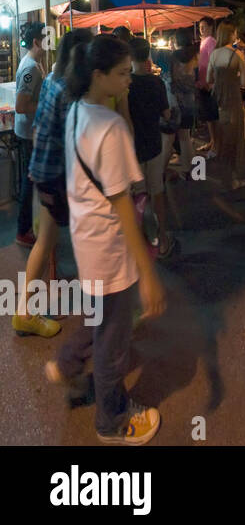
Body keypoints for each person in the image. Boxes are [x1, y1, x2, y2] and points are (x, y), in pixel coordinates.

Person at [46, 35, 165, 445]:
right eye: (121, 74)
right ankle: (112, 421)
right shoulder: (110, 128)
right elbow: (123, 207)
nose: (129, 80)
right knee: (113, 344)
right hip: (110, 248)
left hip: (85, 239)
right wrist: (147, 273)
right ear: (98, 75)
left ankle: (66, 363)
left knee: (98, 316)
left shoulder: (78, 111)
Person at [13, 29, 94, 338]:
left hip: (43, 169)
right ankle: (106, 313)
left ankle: (24, 313)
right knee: (89, 239)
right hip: (59, 175)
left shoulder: (51, 80)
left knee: (47, 241)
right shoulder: (69, 91)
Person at [127, 38, 175, 259]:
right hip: (154, 146)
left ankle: (138, 246)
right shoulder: (156, 83)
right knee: (157, 194)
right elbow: (166, 115)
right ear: (147, 55)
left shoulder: (125, 85)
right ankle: (163, 239)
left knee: (137, 199)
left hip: (133, 150)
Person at [13, 21, 48, 247]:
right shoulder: (31, 69)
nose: (49, 43)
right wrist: (46, 103)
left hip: (29, 131)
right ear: (36, 41)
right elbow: (21, 105)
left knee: (30, 181)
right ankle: (23, 231)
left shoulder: (36, 63)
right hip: (27, 134)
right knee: (28, 183)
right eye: (46, 39)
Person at [208, 22, 245, 190]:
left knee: (223, 137)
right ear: (230, 35)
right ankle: (234, 179)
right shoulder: (237, 54)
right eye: (234, 34)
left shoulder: (214, 54)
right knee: (236, 137)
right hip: (234, 99)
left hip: (219, 101)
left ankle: (224, 176)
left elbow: (209, 79)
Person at [166, 31, 199, 180]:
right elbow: (196, 75)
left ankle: (165, 170)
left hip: (177, 100)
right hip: (190, 98)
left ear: (177, 41)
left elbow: (173, 78)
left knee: (172, 137)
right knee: (186, 136)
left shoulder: (174, 56)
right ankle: (190, 169)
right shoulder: (194, 55)